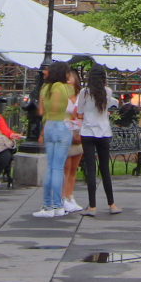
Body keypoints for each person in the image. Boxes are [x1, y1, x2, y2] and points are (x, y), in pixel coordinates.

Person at [33, 62, 75, 218]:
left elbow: (40, 110)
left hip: (49, 125)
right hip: (62, 125)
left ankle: (47, 205)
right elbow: (74, 107)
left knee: (50, 167)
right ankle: (58, 205)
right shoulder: (66, 88)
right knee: (58, 167)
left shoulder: (45, 88)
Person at [76, 64, 117, 214]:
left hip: (87, 132)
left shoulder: (84, 92)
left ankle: (92, 206)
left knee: (90, 169)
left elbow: (79, 112)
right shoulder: (108, 91)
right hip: (104, 132)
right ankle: (112, 204)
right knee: (105, 169)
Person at [59, 68, 84, 213]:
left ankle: (70, 196)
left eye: (70, 78)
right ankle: (62, 197)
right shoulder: (62, 97)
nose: (68, 81)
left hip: (78, 132)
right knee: (66, 167)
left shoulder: (81, 96)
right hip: (66, 132)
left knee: (74, 167)